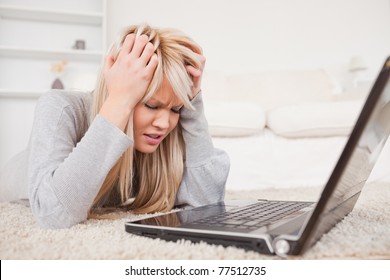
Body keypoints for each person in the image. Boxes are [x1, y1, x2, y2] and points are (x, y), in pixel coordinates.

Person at [0, 23, 230, 229]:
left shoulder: (157, 139)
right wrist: (119, 100)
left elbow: (207, 203)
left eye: (175, 109)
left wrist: (193, 104)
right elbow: (53, 213)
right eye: (151, 105)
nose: (163, 124)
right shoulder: (61, 107)